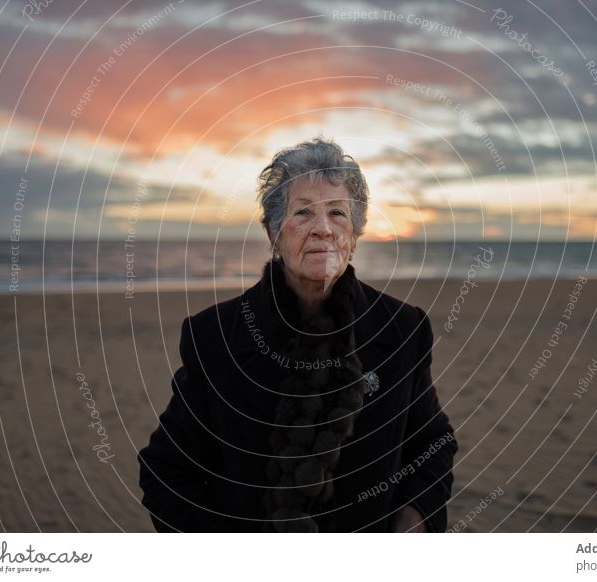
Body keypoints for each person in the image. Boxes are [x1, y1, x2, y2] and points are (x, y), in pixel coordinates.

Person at [137, 137, 457, 532]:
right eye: (303, 212)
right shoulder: (215, 335)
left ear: (355, 234)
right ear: (274, 233)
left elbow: (432, 443)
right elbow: (166, 468)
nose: (323, 229)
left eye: (338, 213)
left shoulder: (403, 328)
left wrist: (415, 521)